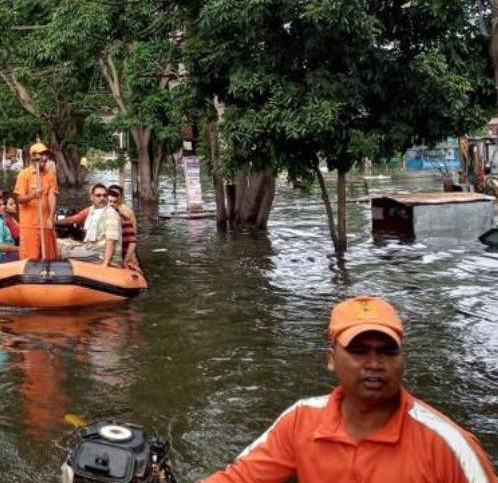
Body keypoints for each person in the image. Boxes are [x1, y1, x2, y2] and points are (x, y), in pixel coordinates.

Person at [202, 296, 497, 483]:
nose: (374, 364)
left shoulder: (447, 444)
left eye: (387, 352)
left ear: (402, 360)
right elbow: (239, 478)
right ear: (331, 360)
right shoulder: (301, 420)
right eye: (358, 351)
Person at [54, 183, 121, 264]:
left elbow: (111, 241)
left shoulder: (110, 214)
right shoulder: (93, 210)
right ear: (92, 197)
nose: (102, 198)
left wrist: (105, 265)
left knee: (61, 252)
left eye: (104, 195)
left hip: (100, 254)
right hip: (92, 247)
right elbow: (75, 218)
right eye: (98, 195)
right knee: (56, 243)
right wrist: (54, 222)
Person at [13, 143, 59, 260]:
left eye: (46, 155)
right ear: (32, 157)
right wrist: (32, 196)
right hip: (30, 226)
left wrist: (51, 217)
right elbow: (19, 199)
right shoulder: (24, 174)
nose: (44, 157)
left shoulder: (50, 176)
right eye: (41, 154)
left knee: (49, 258)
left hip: (46, 224)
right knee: (30, 259)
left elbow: (52, 196)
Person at [107, 184, 141, 271]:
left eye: (116, 194)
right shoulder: (109, 211)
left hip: (125, 249)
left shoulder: (124, 212)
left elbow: (132, 238)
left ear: (121, 197)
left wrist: (125, 260)